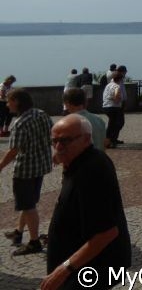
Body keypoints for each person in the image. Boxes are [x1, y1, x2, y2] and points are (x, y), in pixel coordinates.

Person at [41, 114, 131, 290]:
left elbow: (107, 232)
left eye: (65, 141)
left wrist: (64, 269)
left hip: (90, 268)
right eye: (54, 141)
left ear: (86, 139)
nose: (58, 147)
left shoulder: (91, 171)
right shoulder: (80, 160)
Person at [0, 89, 52, 255]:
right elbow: (53, 134)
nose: (7, 104)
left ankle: (34, 241)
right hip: (40, 167)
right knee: (29, 202)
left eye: (9, 101)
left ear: (16, 101)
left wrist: (0, 165)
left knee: (28, 205)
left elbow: (14, 150)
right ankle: (18, 232)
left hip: (25, 171)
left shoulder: (20, 123)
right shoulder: (41, 114)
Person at [63, 88, 107, 153]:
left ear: (67, 103)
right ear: (85, 102)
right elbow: (104, 144)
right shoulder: (99, 119)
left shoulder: (68, 123)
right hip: (100, 159)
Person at [102, 71, 125, 148]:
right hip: (114, 107)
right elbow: (116, 95)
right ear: (120, 79)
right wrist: (117, 100)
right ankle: (111, 140)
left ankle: (108, 140)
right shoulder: (116, 86)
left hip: (106, 106)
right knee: (119, 123)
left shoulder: (108, 85)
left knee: (112, 123)